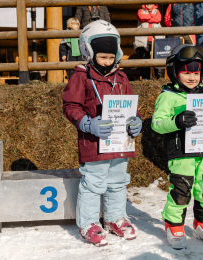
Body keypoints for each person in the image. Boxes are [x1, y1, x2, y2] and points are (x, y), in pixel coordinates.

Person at [62, 20, 142, 246]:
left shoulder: (122, 78)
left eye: (111, 57)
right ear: (89, 52)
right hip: (94, 143)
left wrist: (136, 121)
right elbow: (70, 105)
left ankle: (115, 217)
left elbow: (131, 107)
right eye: (102, 57)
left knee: (118, 181)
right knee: (94, 182)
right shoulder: (81, 76)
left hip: (120, 143)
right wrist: (87, 123)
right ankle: (87, 222)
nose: (108, 62)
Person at [151, 44, 203, 249]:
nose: (192, 77)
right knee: (181, 189)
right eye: (186, 72)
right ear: (174, 72)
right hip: (181, 154)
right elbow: (157, 124)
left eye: (196, 72)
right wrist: (176, 120)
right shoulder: (167, 96)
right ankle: (174, 224)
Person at [134, 4, 164, 79]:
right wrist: (151, 16)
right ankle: (145, 78)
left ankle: (156, 77)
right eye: (147, 2)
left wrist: (147, 18)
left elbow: (158, 19)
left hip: (155, 39)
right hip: (143, 40)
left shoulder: (157, 11)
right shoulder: (140, 10)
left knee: (156, 58)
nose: (149, 4)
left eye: (151, 3)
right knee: (145, 59)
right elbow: (141, 17)